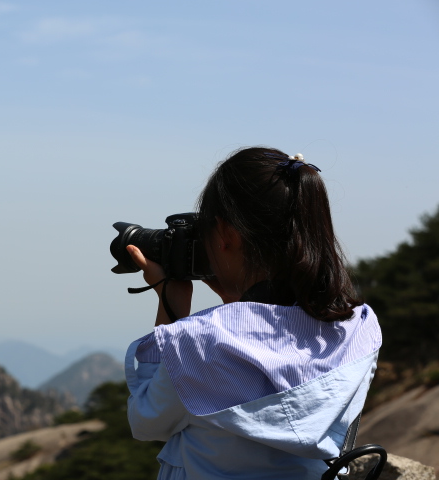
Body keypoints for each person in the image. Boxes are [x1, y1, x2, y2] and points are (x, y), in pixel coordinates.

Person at [123, 147, 382, 480]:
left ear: (227, 235)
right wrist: (240, 308)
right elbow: (274, 364)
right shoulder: (360, 327)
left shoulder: (199, 342)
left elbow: (147, 420)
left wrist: (170, 302)